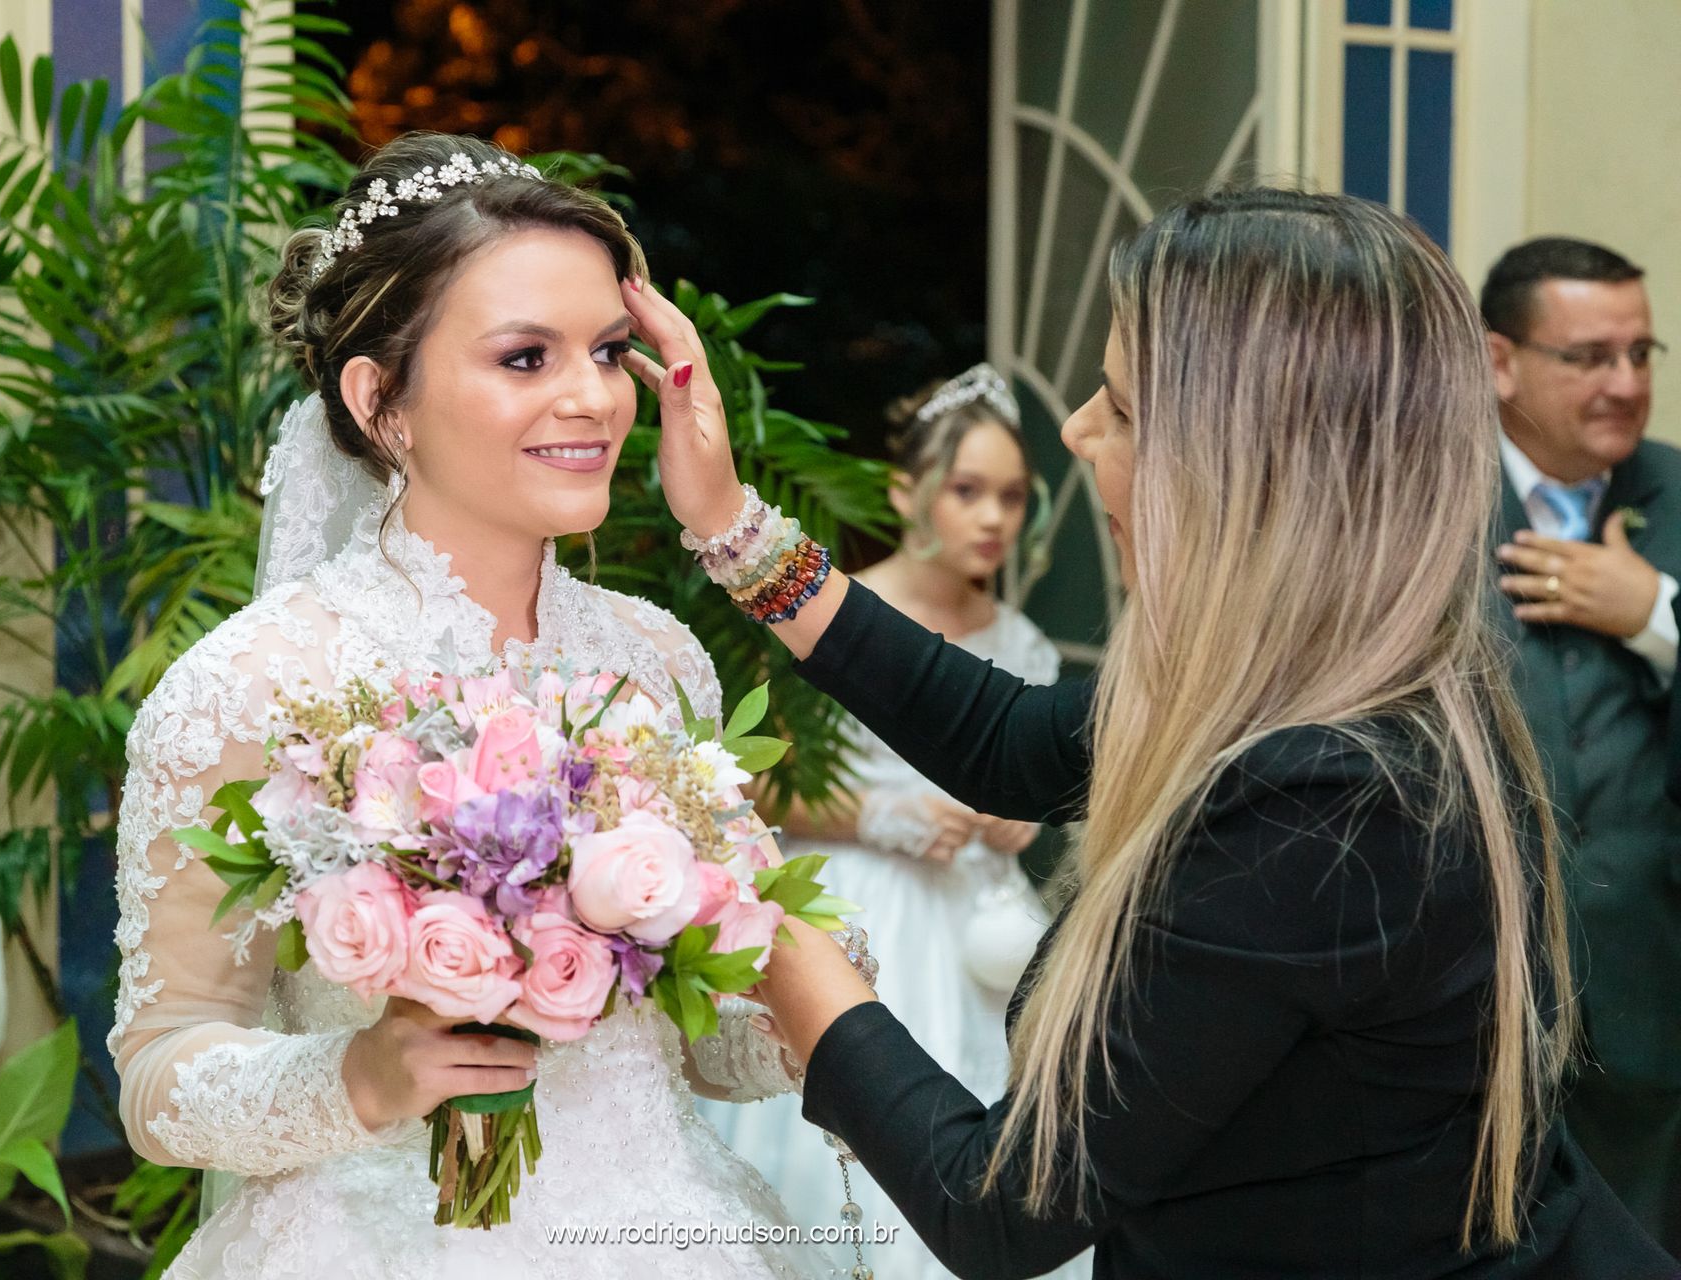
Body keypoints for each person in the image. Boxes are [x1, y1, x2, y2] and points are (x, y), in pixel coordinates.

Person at [622, 188, 1677, 1278]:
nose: (1077, 430)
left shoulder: (1323, 805)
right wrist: (732, 526)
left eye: (1121, 409)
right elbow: (1010, 738)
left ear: (1245, 471)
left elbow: (999, 1203)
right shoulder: (1313, 676)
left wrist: (783, 939)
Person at [109, 133, 824, 1278]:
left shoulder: (657, 662)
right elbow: (158, 1072)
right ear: (379, 400)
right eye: (526, 356)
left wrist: (804, 1018)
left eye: (609, 350)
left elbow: (694, 1042)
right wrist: (358, 1075)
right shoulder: (249, 687)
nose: (593, 397)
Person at [698, 366, 1089, 1280]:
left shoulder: (1024, 640)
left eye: (1012, 497)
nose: (992, 518)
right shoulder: (833, 621)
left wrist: (1023, 818)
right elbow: (747, 783)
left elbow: (1029, 762)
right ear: (907, 492)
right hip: (862, 902)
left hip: (980, 922)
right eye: (967, 490)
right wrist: (882, 815)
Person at [1480, 236, 1681, 1253]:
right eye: (1590, 356)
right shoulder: (1420, 495)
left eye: (1641, 353)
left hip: (1653, 991)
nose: (1626, 383)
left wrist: (1658, 615)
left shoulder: (1677, 491)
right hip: (1474, 991)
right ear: (1499, 362)